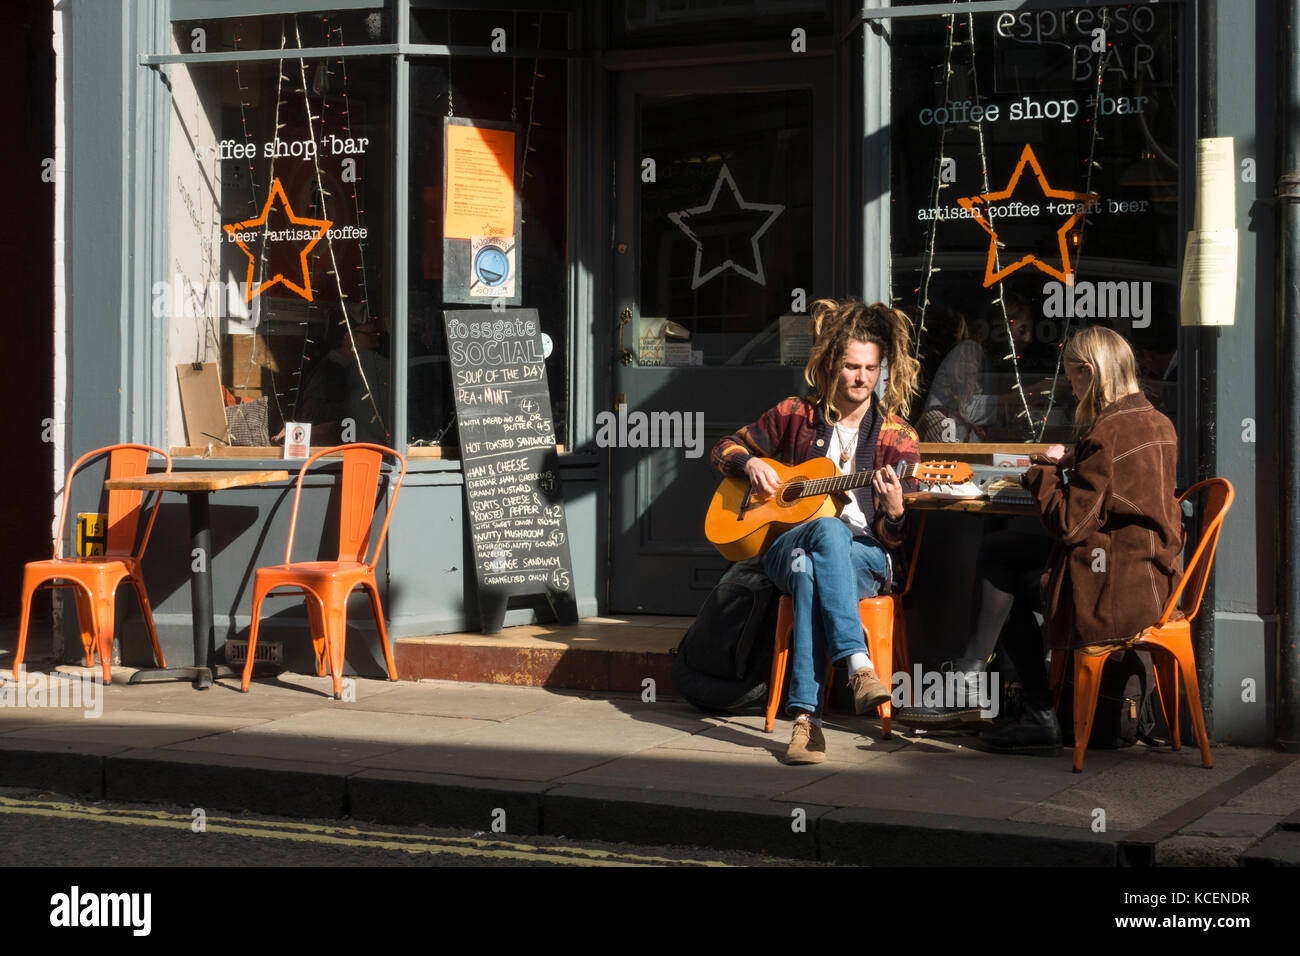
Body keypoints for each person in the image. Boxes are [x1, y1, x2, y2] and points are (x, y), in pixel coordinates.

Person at [896, 326, 1183, 756]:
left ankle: (1034, 713)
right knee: (1001, 548)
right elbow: (1111, 495)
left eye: (1071, 376)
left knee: (1004, 576)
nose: (1070, 386)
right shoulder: (1156, 421)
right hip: (1147, 571)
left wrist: (1045, 471)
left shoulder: (1109, 432)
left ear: (1090, 372)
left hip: (1115, 586)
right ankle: (992, 686)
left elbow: (1070, 524)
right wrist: (1076, 460)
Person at [711, 299, 921, 764]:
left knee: (813, 566)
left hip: (863, 555)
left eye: (870, 368)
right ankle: (858, 663)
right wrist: (752, 464)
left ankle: (806, 722)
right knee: (824, 530)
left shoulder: (896, 436)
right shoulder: (795, 414)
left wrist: (895, 509)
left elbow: (893, 540)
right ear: (831, 364)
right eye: (851, 367)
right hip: (785, 544)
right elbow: (722, 447)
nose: (862, 378)